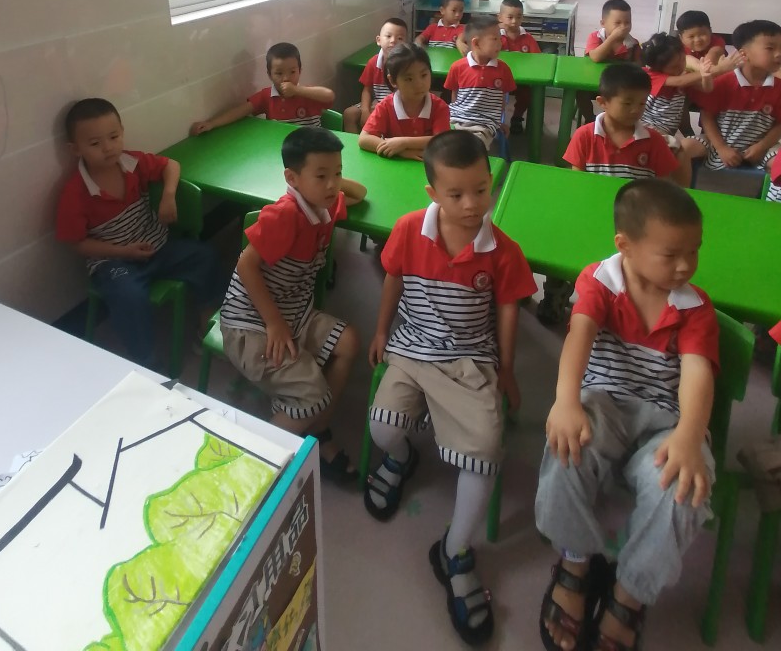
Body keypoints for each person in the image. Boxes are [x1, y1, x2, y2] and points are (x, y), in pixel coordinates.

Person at [365, 131, 536, 643]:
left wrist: (508, 368)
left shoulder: (502, 249)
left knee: (483, 454)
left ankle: (455, 550)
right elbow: (393, 277)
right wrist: (381, 330)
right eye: (456, 194)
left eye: (480, 190)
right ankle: (402, 460)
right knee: (382, 430)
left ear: (491, 182)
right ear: (432, 193)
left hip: (470, 360)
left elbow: (508, 308)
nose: (470, 204)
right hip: (412, 347)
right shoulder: (408, 229)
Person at [535, 179, 718, 651]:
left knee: (681, 490)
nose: (686, 265)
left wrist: (690, 435)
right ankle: (575, 563)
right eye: (671, 254)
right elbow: (579, 336)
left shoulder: (695, 307)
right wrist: (566, 400)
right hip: (605, 404)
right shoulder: (600, 282)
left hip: (666, 422)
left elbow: (698, 375)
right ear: (626, 246)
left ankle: (629, 594)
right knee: (566, 450)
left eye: (694, 251)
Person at [219, 128, 367, 482]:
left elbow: (359, 193)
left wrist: (328, 179)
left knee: (349, 342)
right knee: (312, 395)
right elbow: (245, 265)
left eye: (338, 172)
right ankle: (257, 461)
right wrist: (274, 322)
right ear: (292, 178)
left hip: (294, 312)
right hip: (251, 323)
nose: (332, 185)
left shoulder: (322, 205)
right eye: (321, 175)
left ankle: (317, 430)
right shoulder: (285, 214)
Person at [56, 98, 223, 368]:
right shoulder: (75, 193)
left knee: (205, 256)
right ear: (75, 149)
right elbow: (77, 243)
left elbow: (171, 165)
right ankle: (146, 362)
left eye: (114, 137)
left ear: (122, 132)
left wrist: (168, 196)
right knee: (128, 296)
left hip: (157, 247)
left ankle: (206, 326)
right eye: (95, 143)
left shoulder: (132, 162)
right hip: (114, 262)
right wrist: (123, 251)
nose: (108, 147)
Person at [537, 65, 687, 328]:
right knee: (561, 244)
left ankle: (626, 305)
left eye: (642, 103)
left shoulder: (653, 141)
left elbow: (662, 188)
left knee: (640, 264)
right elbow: (577, 184)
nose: (636, 109)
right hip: (590, 214)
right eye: (627, 103)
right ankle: (555, 294)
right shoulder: (585, 135)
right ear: (602, 102)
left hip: (636, 221)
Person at [690, 19, 781, 172]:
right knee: (684, 147)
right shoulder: (723, 83)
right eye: (770, 48)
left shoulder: (778, 88)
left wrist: (761, 146)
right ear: (744, 54)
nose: (779, 54)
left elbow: (779, 125)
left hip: (763, 148)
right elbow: (707, 117)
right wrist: (721, 148)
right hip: (717, 143)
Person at [190, 43, 334, 134]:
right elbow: (240, 111)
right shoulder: (267, 96)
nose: (286, 78)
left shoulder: (308, 93)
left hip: (313, 146)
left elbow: (329, 95)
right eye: (279, 73)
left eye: (292, 72)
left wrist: (297, 90)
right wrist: (212, 123)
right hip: (282, 150)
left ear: (300, 71)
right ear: (269, 75)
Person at [359, 43, 450, 160]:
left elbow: (442, 141)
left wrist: (404, 143)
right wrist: (401, 151)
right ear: (392, 81)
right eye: (409, 79)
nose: (419, 84)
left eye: (424, 75)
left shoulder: (439, 106)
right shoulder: (385, 106)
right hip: (396, 165)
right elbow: (364, 139)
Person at [444, 15, 516, 151]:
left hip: (485, 122)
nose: (501, 43)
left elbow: (503, 99)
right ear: (476, 43)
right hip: (456, 117)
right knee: (443, 140)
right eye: (495, 39)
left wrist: (497, 122)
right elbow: (454, 96)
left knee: (474, 146)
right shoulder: (457, 67)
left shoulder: (503, 69)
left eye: (500, 38)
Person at [640, 32, 712, 162]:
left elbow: (706, 89)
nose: (681, 67)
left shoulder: (685, 76)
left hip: (665, 133)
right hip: (645, 126)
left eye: (683, 60)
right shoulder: (652, 76)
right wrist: (715, 70)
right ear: (657, 68)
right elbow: (680, 81)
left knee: (704, 141)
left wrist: (706, 76)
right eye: (674, 67)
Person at [342, 17, 409, 133]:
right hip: (376, 102)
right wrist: (365, 111)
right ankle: (356, 142)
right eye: (388, 36)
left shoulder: (407, 64)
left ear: (406, 44)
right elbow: (367, 90)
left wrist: (380, 109)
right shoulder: (373, 62)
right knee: (349, 114)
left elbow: (406, 95)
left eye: (400, 38)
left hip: (398, 105)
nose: (393, 41)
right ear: (379, 40)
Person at [498, 0, 541, 135]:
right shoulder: (496, 37)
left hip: (522, 80)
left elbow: (538, 59)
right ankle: (494, 119)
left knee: (526, 94)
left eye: (518, 17)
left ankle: (517, 117)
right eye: (510, 17)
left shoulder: (527, 38)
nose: (514, 21)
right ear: (500, 17)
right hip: (499, 79)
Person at [675, 10, 743, 76]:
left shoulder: (716, 42)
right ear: (681, 38)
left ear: (710, 31)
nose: (697, 40)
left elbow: (708, 64)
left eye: (702, 34)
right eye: (691, 36)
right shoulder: (678, 47)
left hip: (717, 76)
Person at [585, 0, 642, 65]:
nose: (623, 27)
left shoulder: (633, 44)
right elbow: (595, 58)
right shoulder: (596, 37)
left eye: (627, 22)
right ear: (603, 23)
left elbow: (639, 66)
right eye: (618, 23)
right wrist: (612, 38)